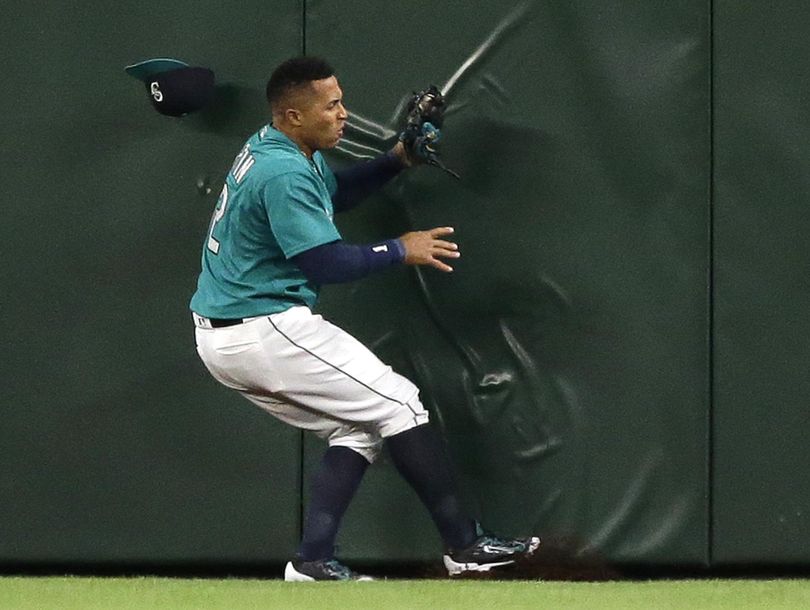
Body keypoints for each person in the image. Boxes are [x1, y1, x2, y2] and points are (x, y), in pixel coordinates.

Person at [190, 56, 539, 581]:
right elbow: (325, 262)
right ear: (292, 115)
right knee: (400, 403)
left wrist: (397, 158)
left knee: (359, 426)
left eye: (340, 101)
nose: (343, 114)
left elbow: (335, 195)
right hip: (261, 326)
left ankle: (311, 562)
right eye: (330, 106)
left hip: (227, 333)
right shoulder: (283, 171)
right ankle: (464, 548)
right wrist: (400, 249)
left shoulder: (278, 146)